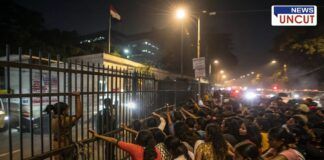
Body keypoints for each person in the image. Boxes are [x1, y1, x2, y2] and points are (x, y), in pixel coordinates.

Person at [44, 92, 83, 160]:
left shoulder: (54, 117)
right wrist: (77, 97)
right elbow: (79, 115)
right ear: (63, 111)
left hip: (56, 144)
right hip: (64, 145)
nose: (68, 111)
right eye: (67, 110)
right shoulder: (63, 120)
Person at [89, 129, 162, 160]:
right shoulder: (157, 151)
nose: (135, 137)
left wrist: (98, 135)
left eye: (137, 136)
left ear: (139, 140)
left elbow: (113, 140)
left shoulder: (134, 148)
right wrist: (126, 128)